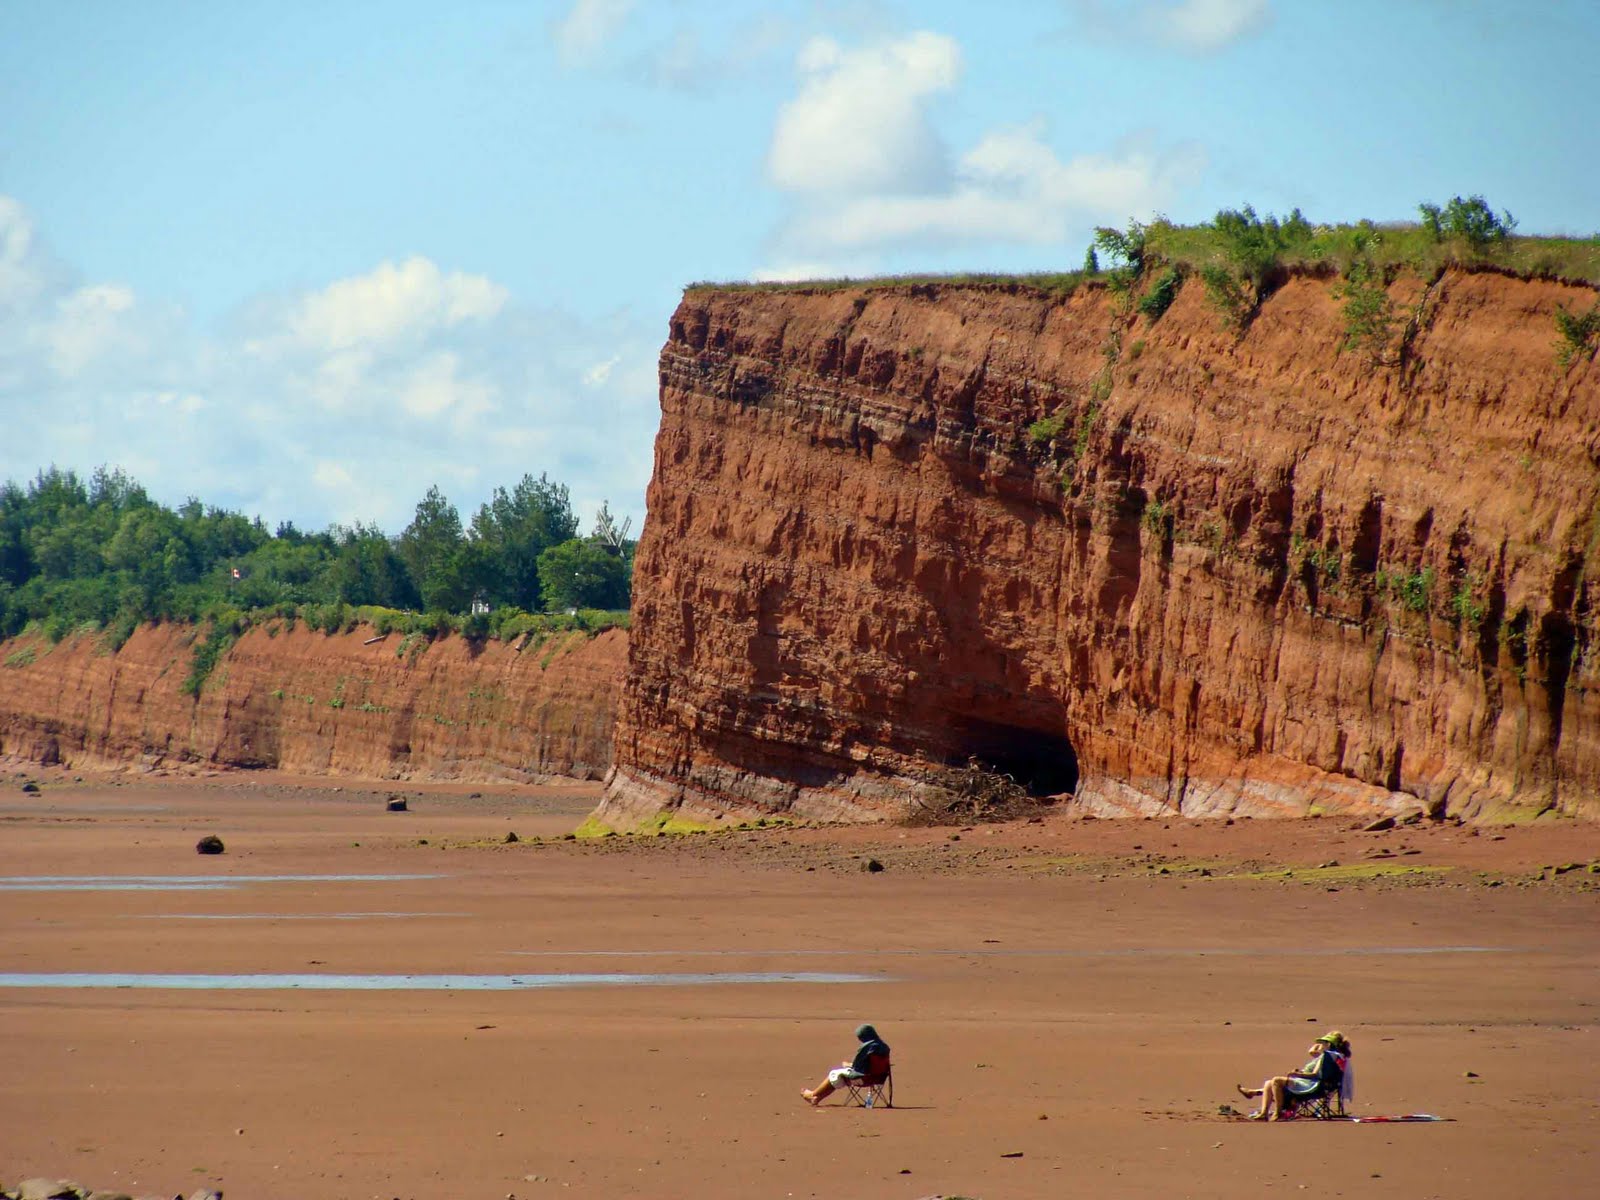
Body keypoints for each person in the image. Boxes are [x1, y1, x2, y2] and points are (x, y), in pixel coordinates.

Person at [1237, 1031, 1348, 1120]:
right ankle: (1263, 1113)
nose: (1320, 1045)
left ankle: (1277, 1112)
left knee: (1276, 1080)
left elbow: (1315, 1075)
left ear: (1329, 1044)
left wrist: (1298, 1074)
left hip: (1313, 1086)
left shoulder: (1327, 1057)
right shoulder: (1333, 1056)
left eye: (1323, 1043)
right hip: (1316, 1084)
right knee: (1268, 1083)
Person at [802, 1023, 890, 1106]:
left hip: (863, 1079)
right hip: (879, 1078)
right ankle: (817, 1098)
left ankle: (813, 1094)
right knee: (839, 1074)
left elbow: (857, 1066)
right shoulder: (884, 1047)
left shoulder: (867, 1047)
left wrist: (848, 1065)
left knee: (834, 1073)